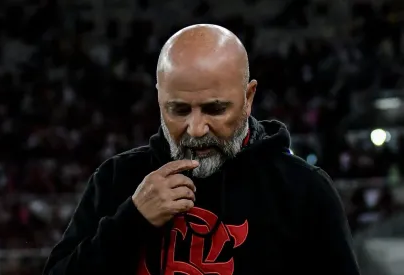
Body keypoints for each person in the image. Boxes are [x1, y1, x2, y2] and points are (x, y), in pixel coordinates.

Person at [43, 24, 360, 275]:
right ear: (159, 99)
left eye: (215, 109)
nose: (196, 129)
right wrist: (132, 219)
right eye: (179, 110)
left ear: (248, 98)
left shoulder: (303, 191)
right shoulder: (117, 179)